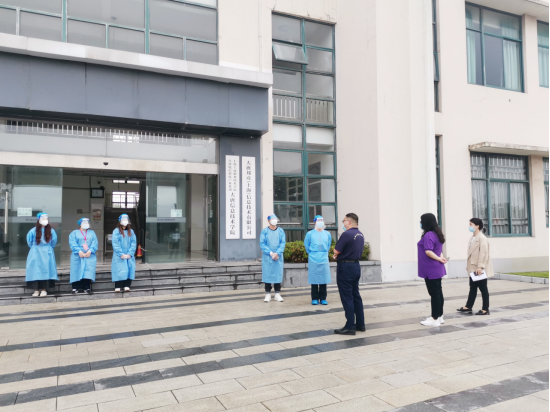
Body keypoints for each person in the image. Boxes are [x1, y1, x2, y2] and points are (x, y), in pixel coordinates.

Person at [333, 213, 366, 335]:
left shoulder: (346, 234)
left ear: (349, 222)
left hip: (345, 267)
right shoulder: (360, 234)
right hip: (356, 266)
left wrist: (335, 254)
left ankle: (350, 326)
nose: (343, 223)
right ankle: (360, 324)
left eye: (344, 221)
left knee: (347, 296)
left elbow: (336, 250)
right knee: (355, 295)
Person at [457, 218, 494, 316]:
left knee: (483, 288)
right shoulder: (473, 237)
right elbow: (471, 253)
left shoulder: (482, 238)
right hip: (472, 266)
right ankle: (468, 306)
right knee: (472, 287)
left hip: (478, 267)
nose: (469, 226)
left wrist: (480, 267)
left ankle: (485, 309)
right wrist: (468, 266)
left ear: (477, 226)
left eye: (471, 224)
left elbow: (483, 253)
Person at [418, 213, 448, 327]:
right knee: (438, 292)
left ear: (426, 222)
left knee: (434, 294)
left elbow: (428, 251)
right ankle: (439, 316)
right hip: (436, 268)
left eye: (421, 221)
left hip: (430, 268)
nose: (420, 223)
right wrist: (441, 257)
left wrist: (439, 258)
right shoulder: (437, 233)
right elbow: (438, 250)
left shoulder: (428, 235)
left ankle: (434, 319)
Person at [26, 213, 58, 297]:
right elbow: (29, 242)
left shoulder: (51, 231)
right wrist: (36, 248)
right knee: (35, 270)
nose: (45, 220)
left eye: (46, 219)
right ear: (38, 220)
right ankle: (36, 290)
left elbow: (53, 242)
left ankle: (44, 289)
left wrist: (47, 248)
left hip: (47, 252)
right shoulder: (33, 231)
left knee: (46, 270)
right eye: (43, 219)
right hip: (35, 252)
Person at [304, 216, 332, 306]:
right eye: (318, 220)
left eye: (322, 220)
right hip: (313, 257)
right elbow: (306, 245)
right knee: (314, 279)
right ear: (314, 222)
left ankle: (323, 298)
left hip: (324, 257)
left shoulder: (327, 234)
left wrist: (324, 252)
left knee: (324, 279)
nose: (320, 222)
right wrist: (311, 253)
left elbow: (328, 245)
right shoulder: (310, 234)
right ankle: (315, 298)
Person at [260, 214, 286, 303]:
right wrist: (271, 253)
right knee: (267, 274)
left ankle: (277, 293)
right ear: (269, 221)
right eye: (272, 219)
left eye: (275, 218)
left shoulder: (281, 231)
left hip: (278, 257)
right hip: (268, 257)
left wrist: (277, 253)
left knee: (277, 274)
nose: (274, 220)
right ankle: (268, 293)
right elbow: (262, 244)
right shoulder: (264, 231)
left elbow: (282, 243)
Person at [69, 218, 98, 295]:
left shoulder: (92, 233)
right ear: (80, 224)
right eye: (84, 222)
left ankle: (87, 287)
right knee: (76, 270)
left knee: (87, 271)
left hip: (89, 255)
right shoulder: (74, 233)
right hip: (77, 256)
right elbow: (72, 243)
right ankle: (75, 287)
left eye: (87, 222)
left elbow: (95, 243)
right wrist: (79, 251)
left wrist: (90, 251)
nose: (86, 224)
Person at [111, 214, 137, 293]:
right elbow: (115, 243)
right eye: (123, 220)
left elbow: (133, 243)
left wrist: (130, 253)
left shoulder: (131, 231)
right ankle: (118, 286)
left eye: (126, 220)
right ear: (120, 221)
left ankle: (127, 285)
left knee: (129, 269)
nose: (125, 221)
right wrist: (120, 253)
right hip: (119, 256)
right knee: (119, 269)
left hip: (129, 255)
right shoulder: (116, 231)